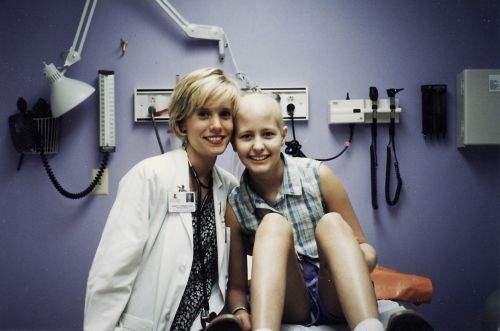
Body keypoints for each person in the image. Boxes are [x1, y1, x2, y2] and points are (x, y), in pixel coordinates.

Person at [84, 67, 242, 331]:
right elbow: (112, 273)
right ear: (182, 122)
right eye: (203, 114)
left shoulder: (229, 187)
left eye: (225, 114)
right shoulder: (149, 177)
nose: (217, 125)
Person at [226, 92, 385, 331]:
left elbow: (365, 247)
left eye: (267, 134)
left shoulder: (318, 175)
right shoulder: (236, 204)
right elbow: (237, 287)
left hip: (335, 291)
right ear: (233, 143)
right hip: (292, 302)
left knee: (331, 222)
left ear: (283, 135)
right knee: (272, 224)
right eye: (246, 136)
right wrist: (239, 310)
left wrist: (354, 260)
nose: (258, 146)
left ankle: (369, 327)